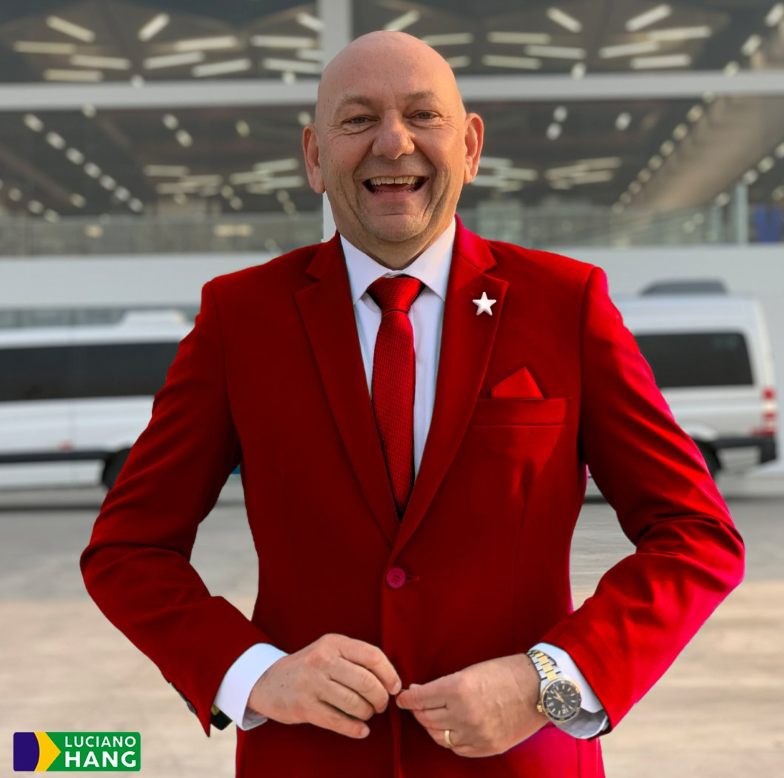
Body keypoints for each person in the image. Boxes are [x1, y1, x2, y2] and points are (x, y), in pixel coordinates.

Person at [80, 31, 745, 778]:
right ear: (313, 157)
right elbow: (127, 550)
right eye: (358, 119)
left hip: (520, 763)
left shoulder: (565, 306)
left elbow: (697, 536)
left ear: (470, 147)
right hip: (308, 760)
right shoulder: (241, 319)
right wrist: (253, 672)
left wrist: (548, 682)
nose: (394, 143)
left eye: (423, 115)